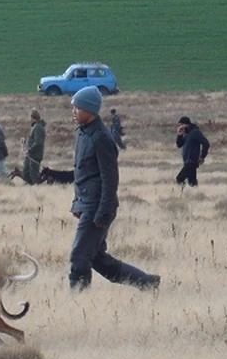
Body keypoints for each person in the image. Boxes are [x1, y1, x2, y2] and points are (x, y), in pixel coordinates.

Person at [68, 86, 160, 291]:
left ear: (90, 110)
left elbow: (110, 179)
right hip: (87, 204)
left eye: (78, 108)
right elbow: (82, 173)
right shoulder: (83, 133)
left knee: (79, 257)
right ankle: (147, 283)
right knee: (98, 258)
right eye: (73, 107)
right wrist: (76, 202)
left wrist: (103, 212)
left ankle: (76, 304)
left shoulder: (101, 137)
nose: (73, 112)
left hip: (98, 206)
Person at [175, 116, 210, 187]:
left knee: (180, 179)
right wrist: (179, 135)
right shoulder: (186, 134)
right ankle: (195, 196)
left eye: (182, 125)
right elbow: (179, 145)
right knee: (192, 182)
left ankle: (182, 194)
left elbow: (206, 143)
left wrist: (202, 156)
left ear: (186, 124)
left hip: (192, 161)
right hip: (187, 161)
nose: (180, 127)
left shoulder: (195, 132)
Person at [22, 108, 46, 185]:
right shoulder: (35, 127)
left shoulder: (38, 127)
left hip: (34, 155)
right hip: (30, 155)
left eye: (29, 117)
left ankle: (37, 189)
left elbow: (38, 142)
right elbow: (33, 140)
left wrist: (29, 150)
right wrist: (25, 141)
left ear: (33, 118)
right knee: (26, 173)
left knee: (33, 174)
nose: (29, 119)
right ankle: (31, 188)